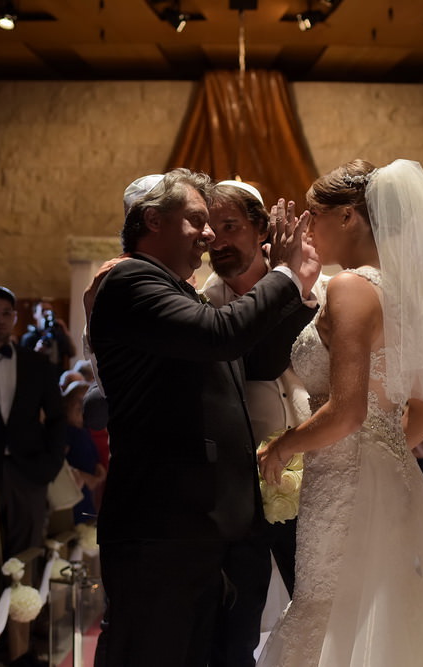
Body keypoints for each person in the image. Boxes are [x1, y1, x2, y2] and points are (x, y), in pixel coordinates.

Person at [256, 159, 423, 666]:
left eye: (315, 214)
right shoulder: (399, 292)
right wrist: (384, 445)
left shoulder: (350, 288)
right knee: (386, 606)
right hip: (386, 477)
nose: (308, 227)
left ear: (350, 216)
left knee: (335, 608)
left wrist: (284, 446)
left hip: (344, 481)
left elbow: (348, 411)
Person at [88, 168, 318, 667]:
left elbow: (254, 362)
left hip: (205, 524)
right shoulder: (130, 281)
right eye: (196, 219)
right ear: (153, 220)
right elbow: (220, 336)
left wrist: (304, 295)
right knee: (153, 651)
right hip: (163, 523)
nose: (209, 234)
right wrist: (282, 272)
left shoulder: (179, 292)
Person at [201, 179, 321, 665]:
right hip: (238, 491)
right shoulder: (202, 305)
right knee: (235, 630)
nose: (218, 240)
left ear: (261, 228)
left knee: (319, 611)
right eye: (210, 230)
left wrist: (300, 288)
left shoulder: (320, 290)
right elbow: (258, 363)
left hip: (317, 479)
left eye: (230, 225)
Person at [0, 285, 65, 557]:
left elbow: (56, 417)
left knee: (26, 555)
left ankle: (23, 601)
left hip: (29, 469)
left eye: (6, 313)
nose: (0, 319)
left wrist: (52, 463)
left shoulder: (37, 363)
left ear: (15, 318)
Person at [60, 380, 105, 524]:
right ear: (67, 402)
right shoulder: (64, 432)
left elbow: (93, 456)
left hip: (87, 496)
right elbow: (61, 465)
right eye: (78, 401)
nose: (81, 406)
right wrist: (86, 477)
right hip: (72, 496)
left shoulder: (85, 431)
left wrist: (99, 468)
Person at [20, 298, 75, 378]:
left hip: (56, 377)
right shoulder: (28, 338)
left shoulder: (57, 335)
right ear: (35, 314)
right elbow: (23, 364)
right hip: (36, 377)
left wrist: (65, 331)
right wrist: (36, 352)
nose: (46, 314)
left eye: (49, 310)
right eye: (43, 311)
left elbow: (72, 353)